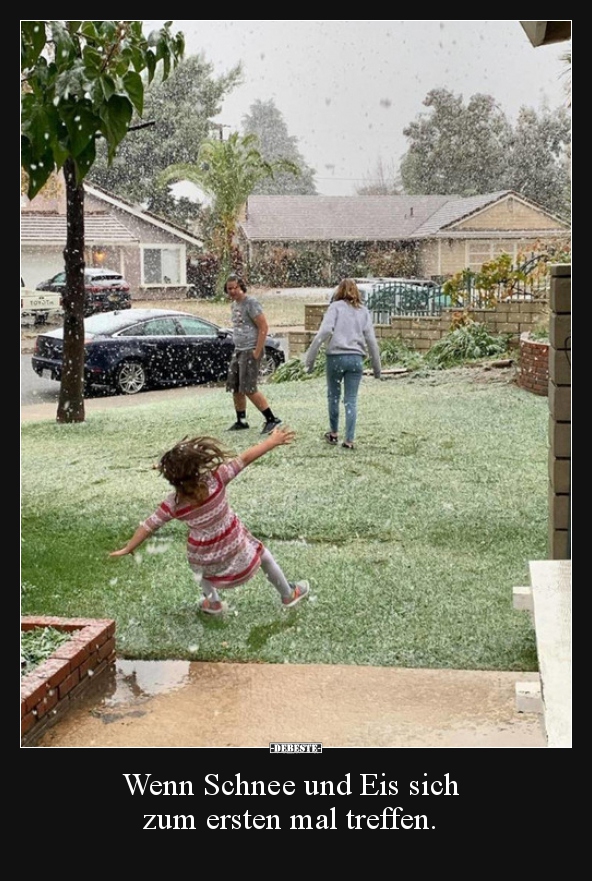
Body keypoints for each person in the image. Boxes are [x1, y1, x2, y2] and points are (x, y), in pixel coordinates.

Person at [109, 427, 309, 616]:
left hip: (203, 555)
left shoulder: (173, 504)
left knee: (199, 568)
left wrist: (128, 547)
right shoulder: (216, 480)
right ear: (197, 468)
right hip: (233, 546)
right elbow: (245, 458)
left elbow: (148, 526)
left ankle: (213, 603)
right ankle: (288, 594)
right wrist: (271, 441)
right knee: (263, 556)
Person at [304, 278, 381, 449]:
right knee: (351, 400)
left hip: (336, 358)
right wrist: (377, 369)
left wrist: (309, 361)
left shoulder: (335, 307)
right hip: (356, 359)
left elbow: (324, 332)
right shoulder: (363, 311)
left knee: (333, 396)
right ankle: (349, 440)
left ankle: (333, 433)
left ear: (338, 291)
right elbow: (371, 340)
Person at [224, 274, 283, 434]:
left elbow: (263, 327)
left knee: (249, 387)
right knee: (235, 387)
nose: (233, 291)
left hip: (250, 350)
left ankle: (271, 419)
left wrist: (257, 351)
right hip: (239, 350)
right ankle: (241, 420)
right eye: (229, 289)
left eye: (235, 287)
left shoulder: (251, 303)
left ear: (241, 286)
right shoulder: (234, 305)